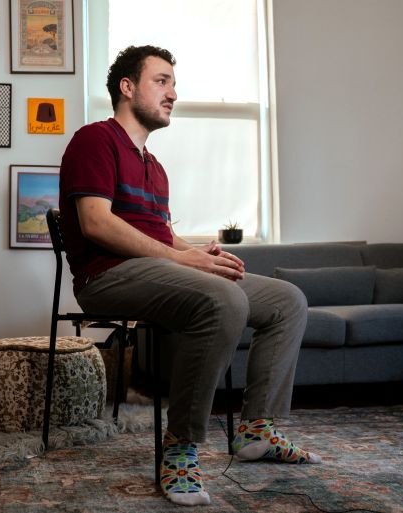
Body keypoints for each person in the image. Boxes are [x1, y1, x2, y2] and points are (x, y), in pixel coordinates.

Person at [58, 45, 321, 507]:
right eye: (161, 81)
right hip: (106, 279)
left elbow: (161, 234)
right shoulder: (94, 139)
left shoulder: (154, 168)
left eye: (173, 84)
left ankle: (256, 430)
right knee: (224, 300)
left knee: (287, 301)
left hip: (157, 270)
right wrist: (182, 262)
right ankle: (180, 448)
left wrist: (196, 253)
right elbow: (96, 222)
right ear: (127, 87)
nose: (173, 93)